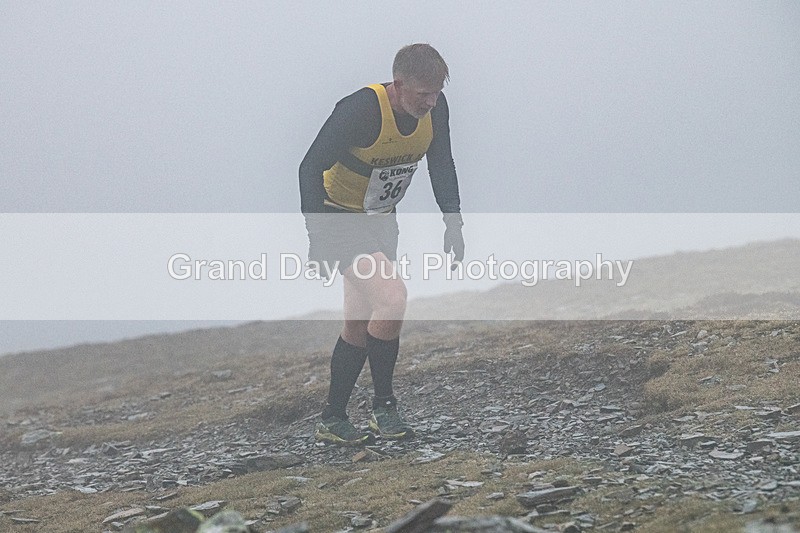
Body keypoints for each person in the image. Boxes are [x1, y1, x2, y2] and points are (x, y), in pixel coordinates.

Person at [299, 43, 464, 445]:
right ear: (399, 84)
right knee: (392, 298)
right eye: (423, 93)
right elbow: (309, 167)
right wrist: (318, 237)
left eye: (437, 93)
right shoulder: (360, 110)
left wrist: (453, 220)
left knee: (359, 323)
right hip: (339, 218)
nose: (431, 102)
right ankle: (384, 407)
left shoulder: (434, 109)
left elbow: (441, 162)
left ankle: (332, 419)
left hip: (382, 221)